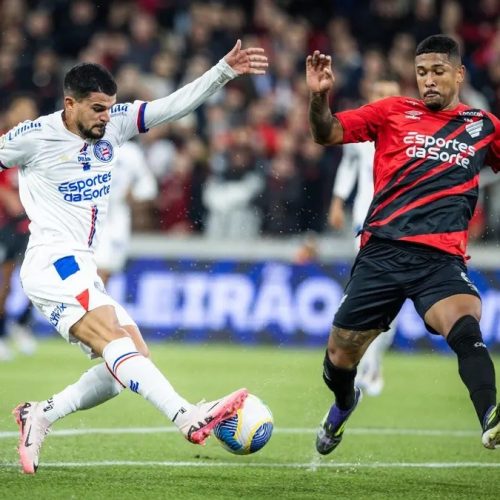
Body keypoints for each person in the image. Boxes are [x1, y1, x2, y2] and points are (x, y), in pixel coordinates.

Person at [3, 39, 268, 474]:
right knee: (116, 343)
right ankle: (186, 415)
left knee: (127, 361)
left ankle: (42, 413)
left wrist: (224, 70)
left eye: (110, 107)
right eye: (96, 109)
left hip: (80, 265)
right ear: (69, 104)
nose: (106, 118)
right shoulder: (34, 137)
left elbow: (172, 107)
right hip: (52, 261)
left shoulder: (115, 127)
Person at [306, 34, 500, 455]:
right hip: (382, 252)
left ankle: (490, 416)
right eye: (421, 72)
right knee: (340, 356)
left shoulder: (484, 126)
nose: (428, 81)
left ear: (459, 74)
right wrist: (320, 99)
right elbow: (327, 133)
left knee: (465, 324)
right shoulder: (392, 111)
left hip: (441, 259)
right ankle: (344, 402)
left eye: (438, 71)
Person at [328, 79, 401, 396]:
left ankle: (373, 361)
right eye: (377, 93)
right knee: (369, 293)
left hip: (401, 224)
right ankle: (367, 365)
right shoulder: (360, 130)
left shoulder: (409, 134)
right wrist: (337, 201)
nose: (382, 99)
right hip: (366, 223)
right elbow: (348, 166)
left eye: (388, 94)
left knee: (393, 298)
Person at [0, 96, 39, 361]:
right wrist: (6, 195)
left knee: (37, 279)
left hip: (32, 224)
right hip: (5, 224)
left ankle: (22, 323)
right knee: (5, 283)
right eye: (21, 110)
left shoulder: (37, 143)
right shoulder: (3, 143)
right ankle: (2, 333)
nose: (26, 116)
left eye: (30, 111)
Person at [95, 139, 157, 285]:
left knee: (107, 270)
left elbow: (148, 186)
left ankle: (94, 306)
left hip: (118, 216)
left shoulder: (130, 151)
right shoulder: (85, 144)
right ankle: (91, 306)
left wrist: (134, 195)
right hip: (90, 213)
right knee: (95, 269)